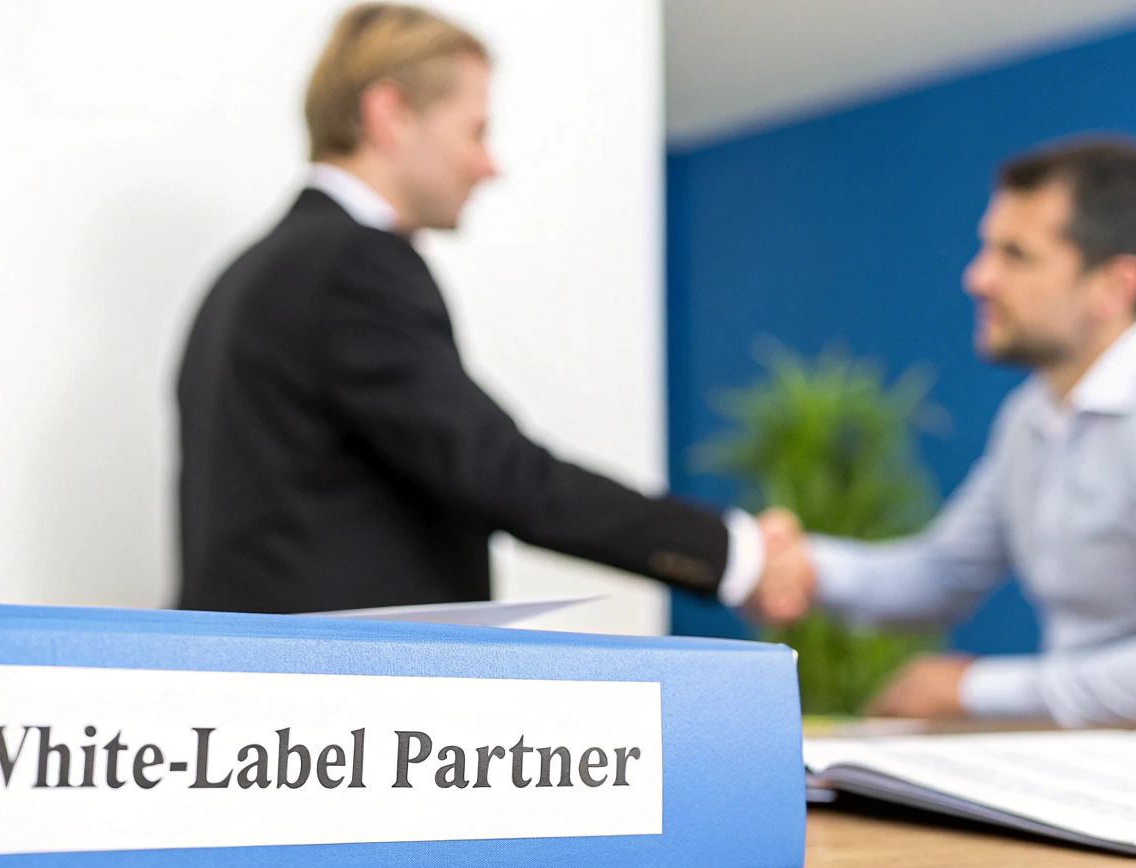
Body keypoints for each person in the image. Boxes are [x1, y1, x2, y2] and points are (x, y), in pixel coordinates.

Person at [176, 3, 805, 619]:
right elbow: (502, 473)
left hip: (256, 694)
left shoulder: (242, 276)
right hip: (333, 705)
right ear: (389, 114)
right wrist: (737, 554)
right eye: (475, 131)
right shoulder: (355, 263)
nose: (489, 165)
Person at [760, 138, 1136, 726]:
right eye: (987, 248)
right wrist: (803, 566)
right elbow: (941, 573)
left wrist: (970, 690)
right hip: (1102, 768)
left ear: (1115, 285)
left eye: (1016, 255)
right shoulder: (1032, 417)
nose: (978, 278)